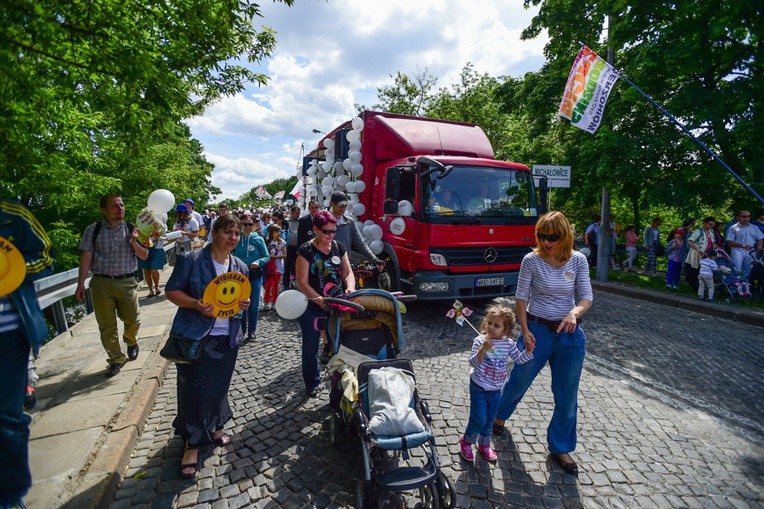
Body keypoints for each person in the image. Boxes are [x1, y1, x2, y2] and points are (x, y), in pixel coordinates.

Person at [492, 211, 593, 475]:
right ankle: (498, 417)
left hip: (569, 333)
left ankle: (560, 446)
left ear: (565, 236)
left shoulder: (578, 260)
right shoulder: (532, 260)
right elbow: (521, 297)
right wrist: (525, 330)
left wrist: (574, 312)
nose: (547, 242)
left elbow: (586, 297)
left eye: (553, 237)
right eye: (542, 236)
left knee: (567, 393)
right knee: (520, 378)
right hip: (537, 329)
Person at [164, 213, 250, 479]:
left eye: (236, 233)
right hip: (198, 336)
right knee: (194, 389)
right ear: (215, 233)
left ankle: (216, 426)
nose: (232, 238)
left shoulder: (240, 266)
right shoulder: (192, 260)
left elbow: (240, 299)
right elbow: (172, 291)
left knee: (219, 386)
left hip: (228, 337)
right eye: (228, 232)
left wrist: (244, 305)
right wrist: (195, 304)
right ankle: (192, 443)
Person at [0, 199, 54, 508]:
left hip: (7, 335)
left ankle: (9, 496)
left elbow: (47, 258)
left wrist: (12, 266)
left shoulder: (13, 216)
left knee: (6, 417)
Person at [75, 193, 148, 377]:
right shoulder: (93, 230)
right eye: (115, 206)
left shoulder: (134, 228)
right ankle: (116, 358)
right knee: (107, 326)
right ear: (104, 210)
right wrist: (80, 284)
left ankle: (131, 340)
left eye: (121, 205)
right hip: (101, 283)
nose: (120, 208)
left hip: (127, 282)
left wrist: (133, 242)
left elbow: (144, 255)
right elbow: (86, 257)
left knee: (133, 319)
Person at [459, 305, 534, 464]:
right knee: (478, 418)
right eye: (490, 323)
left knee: (490, 419)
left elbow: (519, 360)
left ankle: (484, 444)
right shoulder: (480, 341)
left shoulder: (508, 344)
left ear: (506, 330)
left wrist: (528, 351)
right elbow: (472, 363)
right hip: (479, 387)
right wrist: (483, 350)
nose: (491, 327)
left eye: (497, 325)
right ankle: (466, 441)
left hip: (496, 389)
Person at [295, 210, 356, 398]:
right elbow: (302, 282)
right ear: (315, 229)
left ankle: (340, 380)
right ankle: (312, 382)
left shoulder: (338, 247)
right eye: (326, 231)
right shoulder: (305, 251)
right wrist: (318, 300)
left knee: (341, 342)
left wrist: (350, 288)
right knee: (311, 347)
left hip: (337, 302)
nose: (330, 235)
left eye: (333, 231)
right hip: (313, 304)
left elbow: (347, 273)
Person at [232, 213, 269, 341]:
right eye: (244, 224)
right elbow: (229, 254)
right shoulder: (236, 238)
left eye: (250, 224)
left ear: (254, 225)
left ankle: (252, 331)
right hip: (239, 275)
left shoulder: (258, 239)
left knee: (253, 305)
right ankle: (241, 330)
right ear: (240, 225)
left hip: (255, 274)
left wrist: (258, 262)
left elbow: (266, 256)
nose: (247, 227)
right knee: (241, 304)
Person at [329, 191, 385, 270]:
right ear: (331, 204)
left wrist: (374, 259)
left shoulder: (350, 223)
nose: (342, 208)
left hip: (344, 265)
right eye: (340, 205)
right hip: (327, 265)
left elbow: (360, 244)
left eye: (345, 206)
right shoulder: (323, 220)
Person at [726, 210, 764, 281]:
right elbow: (729, 241)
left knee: (747, 270)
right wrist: (743, 245)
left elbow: (760, 238)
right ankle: (735, 287)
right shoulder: (734, 228)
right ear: (739, 217)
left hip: (750, 251)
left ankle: (744, 287)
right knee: (737, 270)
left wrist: (759, 247)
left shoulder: (754, 227)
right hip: (737, 251)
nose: (746, 218)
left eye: (748, 216)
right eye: (744, 216)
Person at [684, 217, 717, 293]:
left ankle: (701, 289)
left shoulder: (711, 231)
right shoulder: (698, 231)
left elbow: (713, 242)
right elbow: (690, 241)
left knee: (704, 272)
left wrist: (717, 249)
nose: (711, 226)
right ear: (704, 223)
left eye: (713, 225)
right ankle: (695, 288)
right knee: (695, 271)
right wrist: (698, 250)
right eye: (710, 224)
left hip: (707, 255)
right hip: (697, 254)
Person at [263, 224, 286, 311]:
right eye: (276, 231)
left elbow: (284, 255)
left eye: (279, 231)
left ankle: (274, 302)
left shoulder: (282, 242)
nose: (278, 233)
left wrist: (274, 257)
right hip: (269, 266)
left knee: (275, 285)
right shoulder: (267, 242)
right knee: (268, 285)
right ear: (272, 232)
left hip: (278, 266)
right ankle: (266, 302)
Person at [139, 232, 166, 298]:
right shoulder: (141, 226)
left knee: (153, 269)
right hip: (144, 248)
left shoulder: (159, 226)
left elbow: (165, 236)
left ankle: (156, 287)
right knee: (146, 271)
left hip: (156, 248)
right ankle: (151, 290)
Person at [284, 205, 301, 289]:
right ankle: (286, 284)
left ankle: (295, 284)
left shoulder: (300, 222)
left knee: (296, 267)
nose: (298, 215)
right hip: (289, 248)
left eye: (299, 213)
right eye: (296, 213)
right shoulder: (286, 222)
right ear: (291, 213)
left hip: (297, 248)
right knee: (287, 267)